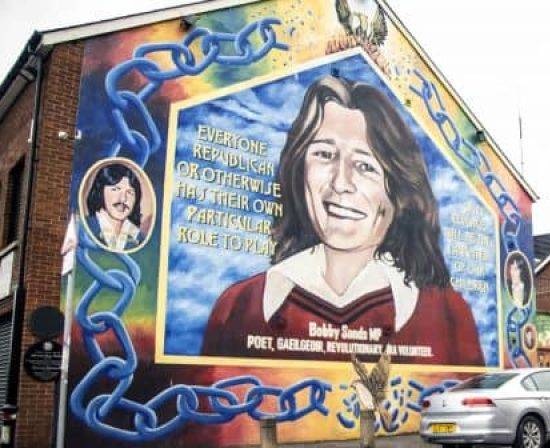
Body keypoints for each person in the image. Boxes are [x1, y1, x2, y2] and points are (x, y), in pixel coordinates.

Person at [202, 75, 484, 366]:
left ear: (397, 188)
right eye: (324, 154)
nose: (341, 183)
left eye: (365, 166)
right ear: (299, 169)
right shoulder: (239, 306)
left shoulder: (445, 315)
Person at [83, 163, 145, 251]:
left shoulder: (139, 237)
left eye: (130, 192)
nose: (123, 199)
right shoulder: (85, 228)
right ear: (100, 191)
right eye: (115, 189)